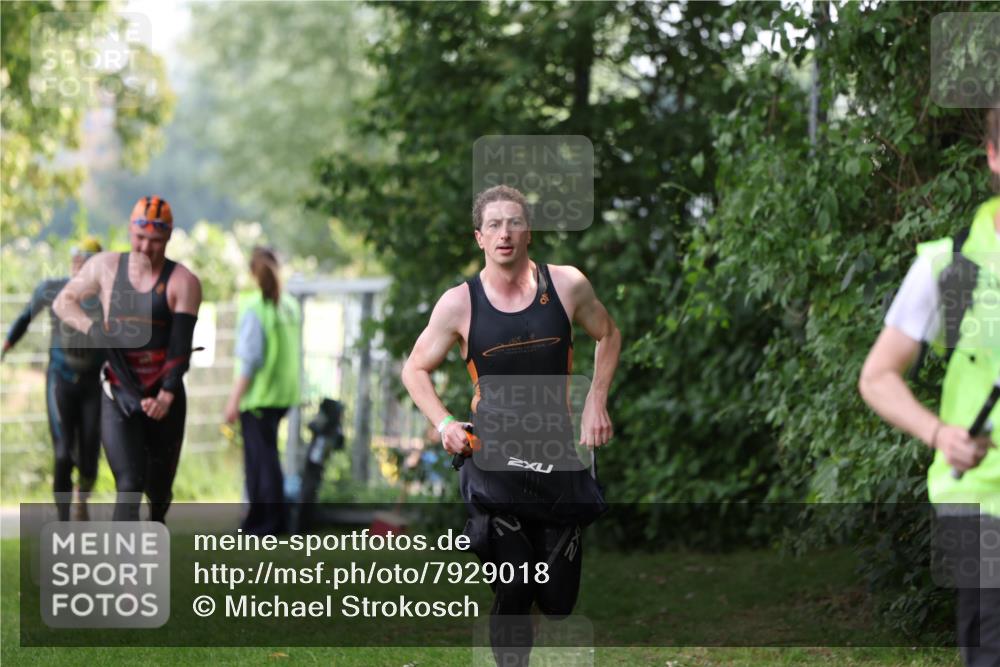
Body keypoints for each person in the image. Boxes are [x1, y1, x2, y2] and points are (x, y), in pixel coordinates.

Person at [401, 185, 621, 665]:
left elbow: (608, 334)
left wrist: (595, 403)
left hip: (558, 457)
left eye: (514, 223)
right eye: (494, 225)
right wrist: (443, 424)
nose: (505, 233)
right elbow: (414, 369)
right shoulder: (459, 304)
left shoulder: (566, 285)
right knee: (517, 582)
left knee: (559, 601)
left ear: (529, 233)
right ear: (479, 237)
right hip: (493, 460)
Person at [859, 105, 1000, 666]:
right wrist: (940, 433)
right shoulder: (953, 265)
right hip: (980, 497)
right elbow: (877, 376)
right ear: (993, 156)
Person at [54, 195, 202, 523]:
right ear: (130, 231)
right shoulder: (105, 267)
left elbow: (180, 347)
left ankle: (156, 522)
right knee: (129, 485)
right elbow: (63, 302)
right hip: (119, 393)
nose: (146, 247)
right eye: (140, 237)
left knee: (158, 492)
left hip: (165, 396)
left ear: (168, 237)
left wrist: (166, 394)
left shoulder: (183, 282)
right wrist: (93, 328)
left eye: (155, 240)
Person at [2, 238, 105, 521]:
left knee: (88, 460)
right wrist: (6, 346)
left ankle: (82, 499)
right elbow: (25, 318)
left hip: (92, 385)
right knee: (62, 455)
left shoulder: (111, 299)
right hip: (60, 381)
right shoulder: (51, 289)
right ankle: (63, 520)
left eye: (88, 262)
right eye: (76, 259)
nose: (80, 266)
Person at [223, 247, 301, 536]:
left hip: (259, 396)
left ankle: (263, 524)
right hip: (283, 394)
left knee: (260, 462)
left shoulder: (255, 306)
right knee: (267, 458)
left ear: (252, 273)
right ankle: (266, 521)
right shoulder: (289, 304)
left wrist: (233, 401)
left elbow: (250, 358)